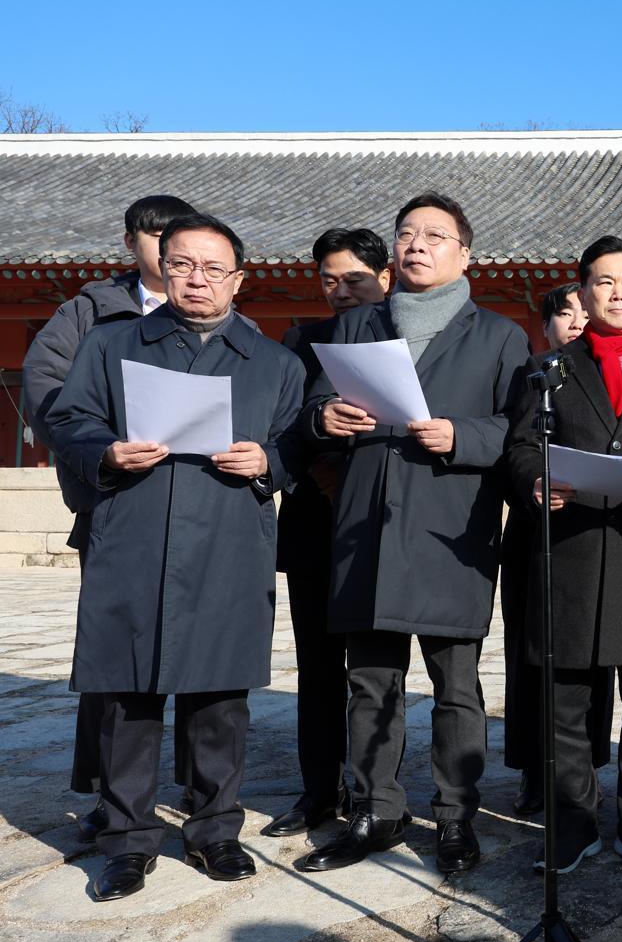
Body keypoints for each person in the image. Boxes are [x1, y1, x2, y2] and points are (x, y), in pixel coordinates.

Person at [46, 212, 305, 900]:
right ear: (161, 267)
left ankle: (215, 830)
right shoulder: (110, 345)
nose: (197, 279)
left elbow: (300, 445)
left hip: (228, 540)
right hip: (135, 535)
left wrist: (269, 460)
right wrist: (106, 450)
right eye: (183, 264)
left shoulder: (274, 362)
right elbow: (68, 419)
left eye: (214, 268)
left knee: (220, 697)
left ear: (239, 281)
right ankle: (127, 841)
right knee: (129, 694)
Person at [295, 192, 530, 875]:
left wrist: (464, 434)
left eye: (434, 235)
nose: (417, 244)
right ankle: (377, 810)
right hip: (368, 517)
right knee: (370, 679)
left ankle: (457, 815)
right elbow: (312, 405)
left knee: (455, 682)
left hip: (450, 522)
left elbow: (516, 431)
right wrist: (325, 419)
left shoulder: (499, 334)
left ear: (465, 254)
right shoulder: (358, 324)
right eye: (407, 234)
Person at [505, 235, 622, 874]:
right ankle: (573, 821)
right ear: (582, 294)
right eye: (604, 282)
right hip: (571, 554)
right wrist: (534, 481)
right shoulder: (548, 371)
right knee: (567, 706)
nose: (617, 292)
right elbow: (521, 448)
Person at [22, 194, 198, 841]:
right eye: (152, 239)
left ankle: (203, 797)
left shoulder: (210, 310)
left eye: (176, 239)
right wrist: (99, 458)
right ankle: (109, 795)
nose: (166, 252)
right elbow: (44, 386)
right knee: (115, 661)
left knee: (201, 656)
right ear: (130, 244)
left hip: (198, 511)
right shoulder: (91, 312)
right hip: (119, 505)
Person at [261, 227, 392, 837]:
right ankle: (318, 792)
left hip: (385, 530)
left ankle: (375, 793)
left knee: (377, 673)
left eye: (354, 279)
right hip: (318, 525)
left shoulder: (405, 338)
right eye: (329, 280)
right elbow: (288, 427)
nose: (340, 292)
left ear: (385, 278)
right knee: (317, 669)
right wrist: (326, 472)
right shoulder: (302, 342)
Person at [503, 281, 612, 819]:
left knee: (593, 667)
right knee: (533, 659)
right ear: (544, 326)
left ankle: (584, 769)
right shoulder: (537, 376)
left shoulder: (605, 375)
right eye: (561, 314)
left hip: (596, 537)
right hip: (535, 535)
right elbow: (516, 450)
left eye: (579, 311)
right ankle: (532, 767)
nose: (573, 321)